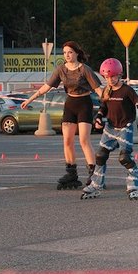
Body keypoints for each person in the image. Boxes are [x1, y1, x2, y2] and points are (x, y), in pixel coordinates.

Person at [21, 40, 102, 189]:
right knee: (67, 141)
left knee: (84, 140)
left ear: (77, 53)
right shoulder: (60, 69)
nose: (67, 55)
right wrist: (30, 99)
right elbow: (46, 87)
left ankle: (93, 173)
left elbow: (98, 89)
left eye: (70, 52)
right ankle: (71, 173)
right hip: (70, 105)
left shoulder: (85, 69)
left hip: (84, 104)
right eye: (64, 53)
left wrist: (110, 103)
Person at [81, 58, 138, 200]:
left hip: (125, 128)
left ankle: (137, 185)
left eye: (113, 76)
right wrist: (98, 118)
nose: (110, 80)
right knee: (100, 155)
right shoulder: (107, 90)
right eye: (107, 77)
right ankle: (96, 185)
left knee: (125, 158)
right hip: (110, 127)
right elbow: (103, 107)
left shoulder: (127, 90)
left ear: (119, 75)